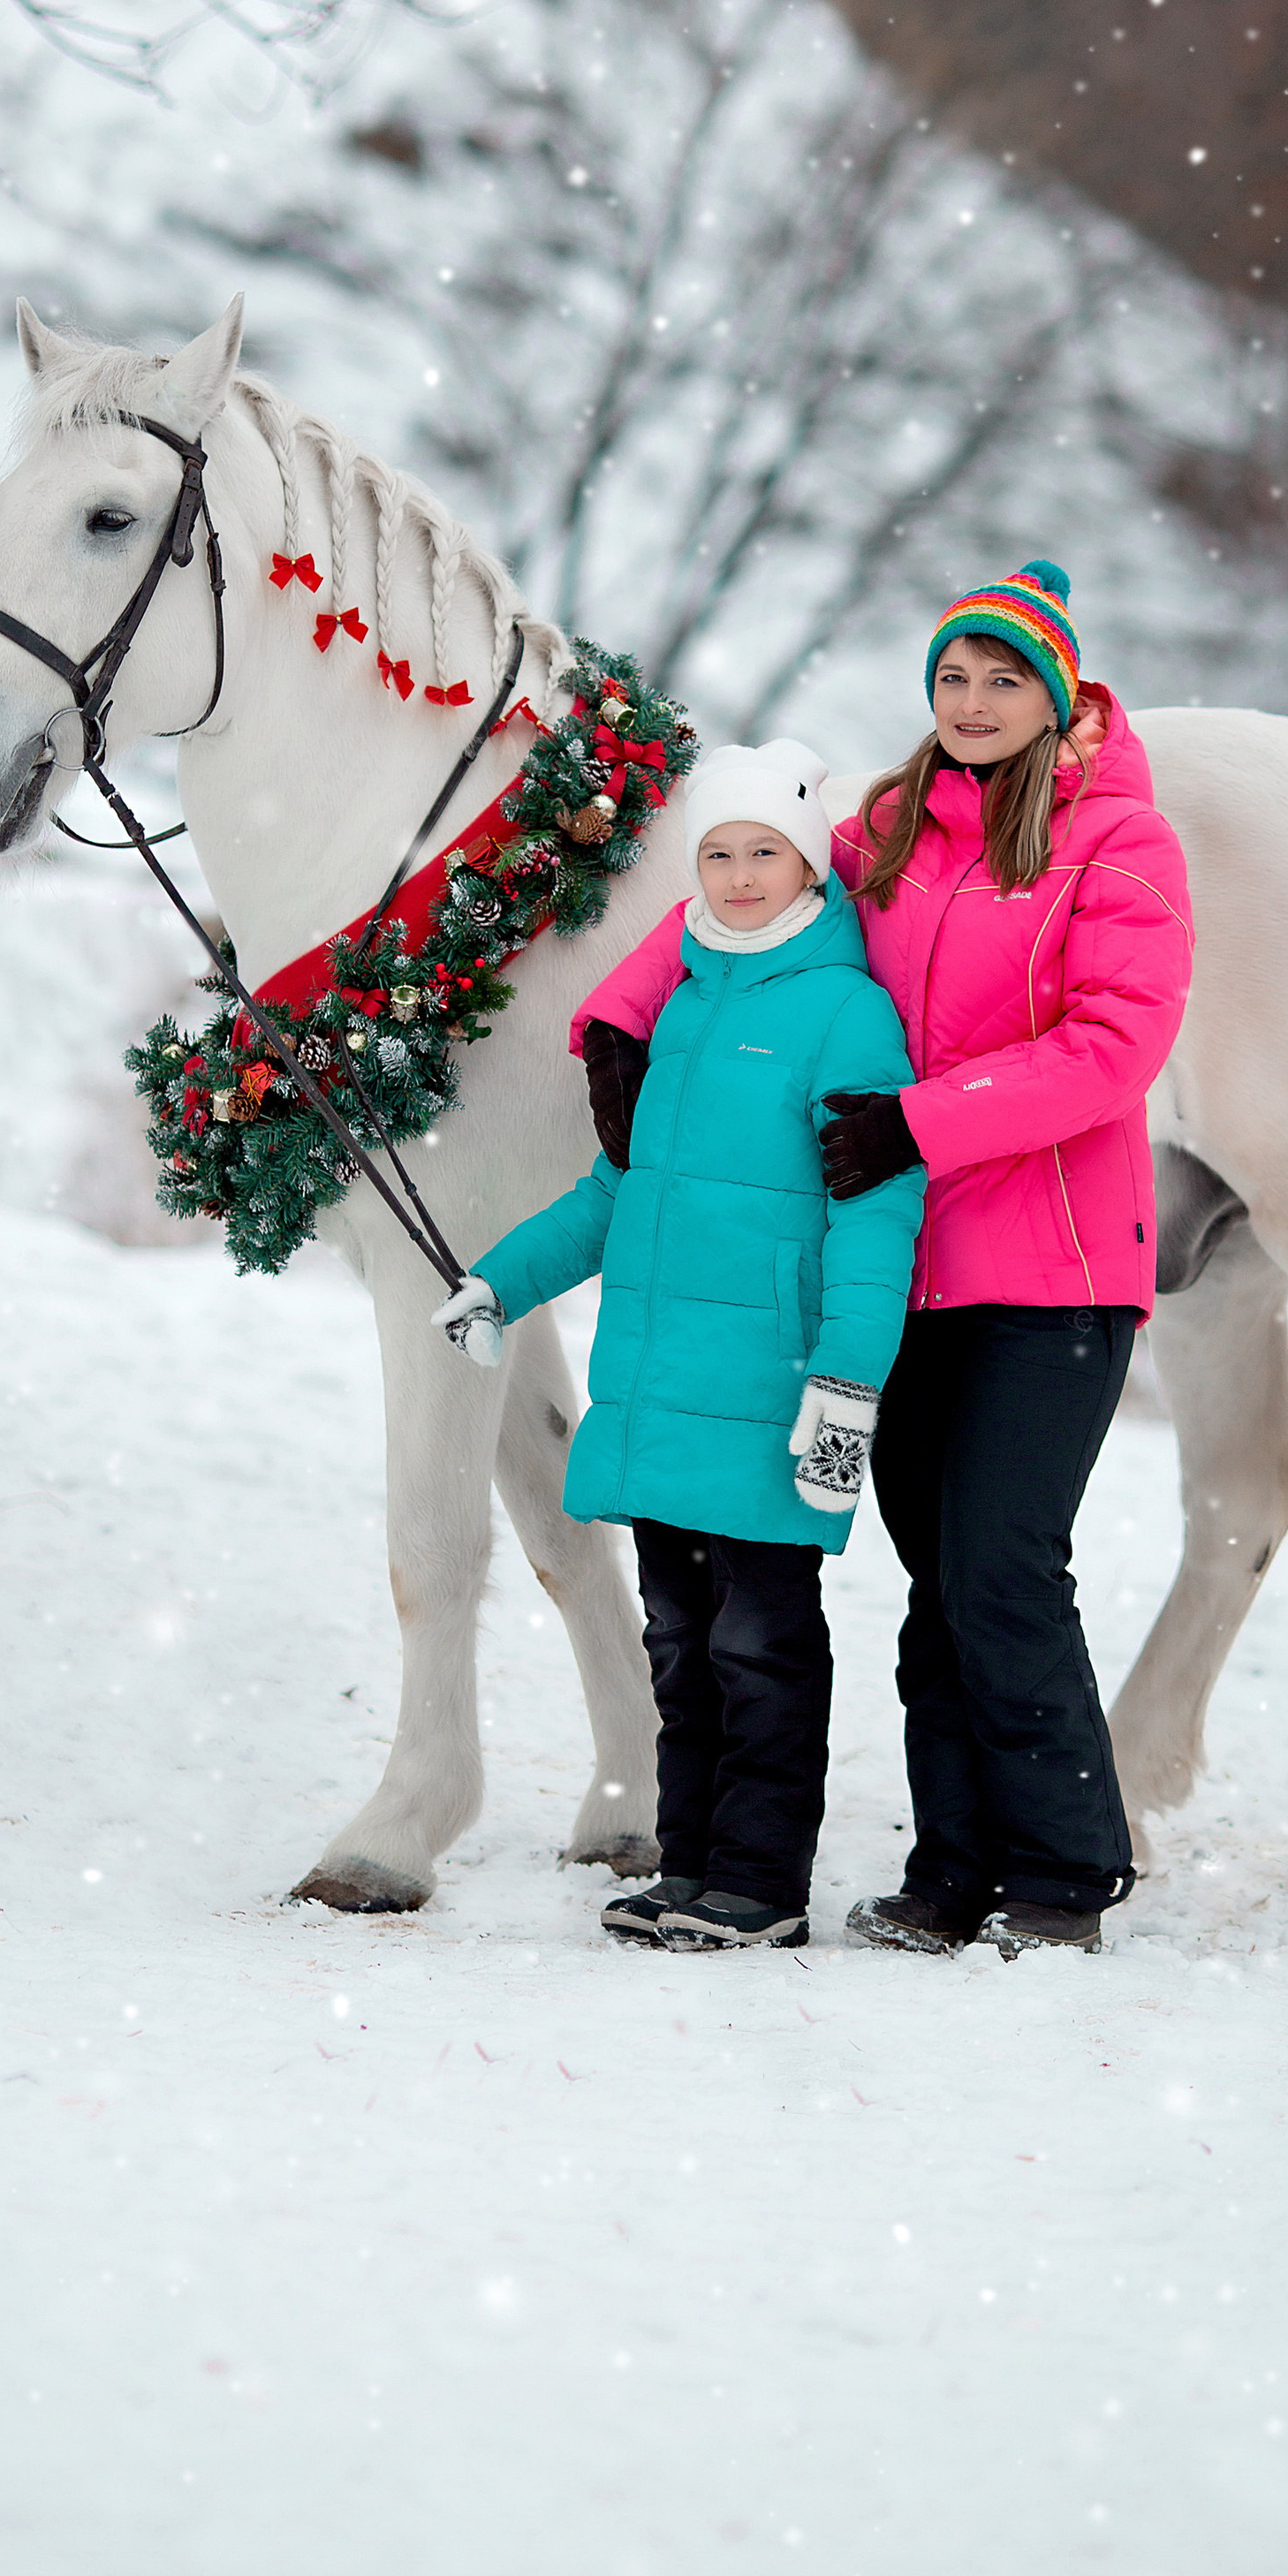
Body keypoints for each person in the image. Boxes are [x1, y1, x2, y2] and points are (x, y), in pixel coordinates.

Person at [564, 564, 1193, 1959]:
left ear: (1056, 694)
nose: (973, 705)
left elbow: (1114, 1050)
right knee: (934, 1588)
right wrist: (620, 1017)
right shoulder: (886, 832)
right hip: (908, 1272)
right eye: (954, 679)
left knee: (1003, 1572)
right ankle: (952, 1871)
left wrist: (918, 1121)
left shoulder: (1121, 844)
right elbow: (749, 899)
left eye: (1004, 681)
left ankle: (1062, 1877)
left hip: (1057, 1271)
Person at [431, 742, 924, 1949]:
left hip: (772, 1398)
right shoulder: (687, 1007)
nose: (741, 876)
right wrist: (497, 1282)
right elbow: (616, 1193)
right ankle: (692, 1867)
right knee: (680, 1645)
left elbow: (878, 1215)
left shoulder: (848, 1015)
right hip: (657, 1390)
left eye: (764, 852)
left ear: (809, 863)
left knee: (761, 1645)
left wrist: (846, 1387)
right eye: (719, 853)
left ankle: (760, 1888)